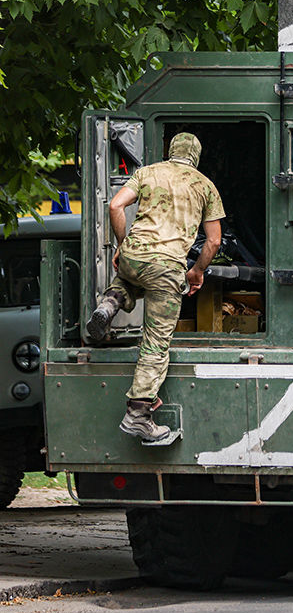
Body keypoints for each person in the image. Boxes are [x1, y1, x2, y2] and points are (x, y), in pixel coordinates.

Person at [85, 133, 224, 441]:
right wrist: (197, 271)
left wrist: (123, 245)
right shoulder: (205, 186)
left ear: (170, 151)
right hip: (167, 267)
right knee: (156, 344)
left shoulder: (146, 172)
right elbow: (214, 240)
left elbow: (115, 206)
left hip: (135, 257)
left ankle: (110, 303)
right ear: (196, 156)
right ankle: (138, 415)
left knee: (131, 275)